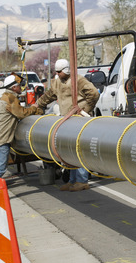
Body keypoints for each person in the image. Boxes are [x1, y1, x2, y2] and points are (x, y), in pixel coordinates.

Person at [33, 58, 100, 192]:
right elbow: (49, 96)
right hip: (67, 121)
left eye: (59, 72)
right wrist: (36, 105)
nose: (57, 74)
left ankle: (82, 180)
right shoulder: (57, 82)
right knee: (70, 152)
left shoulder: (79, 81)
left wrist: (85, 110)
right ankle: (72, 180)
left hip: (78, 121)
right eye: (56, 72)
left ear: (67, 70)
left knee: (78, 151)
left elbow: (94, 94)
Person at [0, 75, 43, 177]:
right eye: (19, 86)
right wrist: (34, 108)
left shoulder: (6, 97)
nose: (21, 88)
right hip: (2, 140)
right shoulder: (10, 98)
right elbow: (22, 113)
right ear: (14, 87)